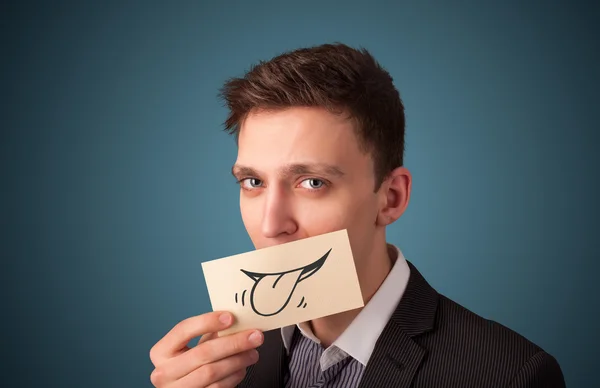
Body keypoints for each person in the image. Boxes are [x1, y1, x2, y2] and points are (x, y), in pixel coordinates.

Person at [149, 43, 566, 388]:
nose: (271, 225)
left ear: (391, 198)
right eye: (253, 183)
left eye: (312, 182)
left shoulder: (510, 375)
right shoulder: (222, 369)